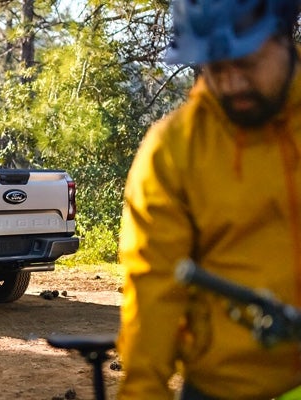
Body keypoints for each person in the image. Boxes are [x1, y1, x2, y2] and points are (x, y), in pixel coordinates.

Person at [116, 0, 301, 398]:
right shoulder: (174, 151)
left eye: (245, 62)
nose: (231, 84)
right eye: (215, 68)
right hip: (223, 388)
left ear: (284, 35)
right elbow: (152, 289)